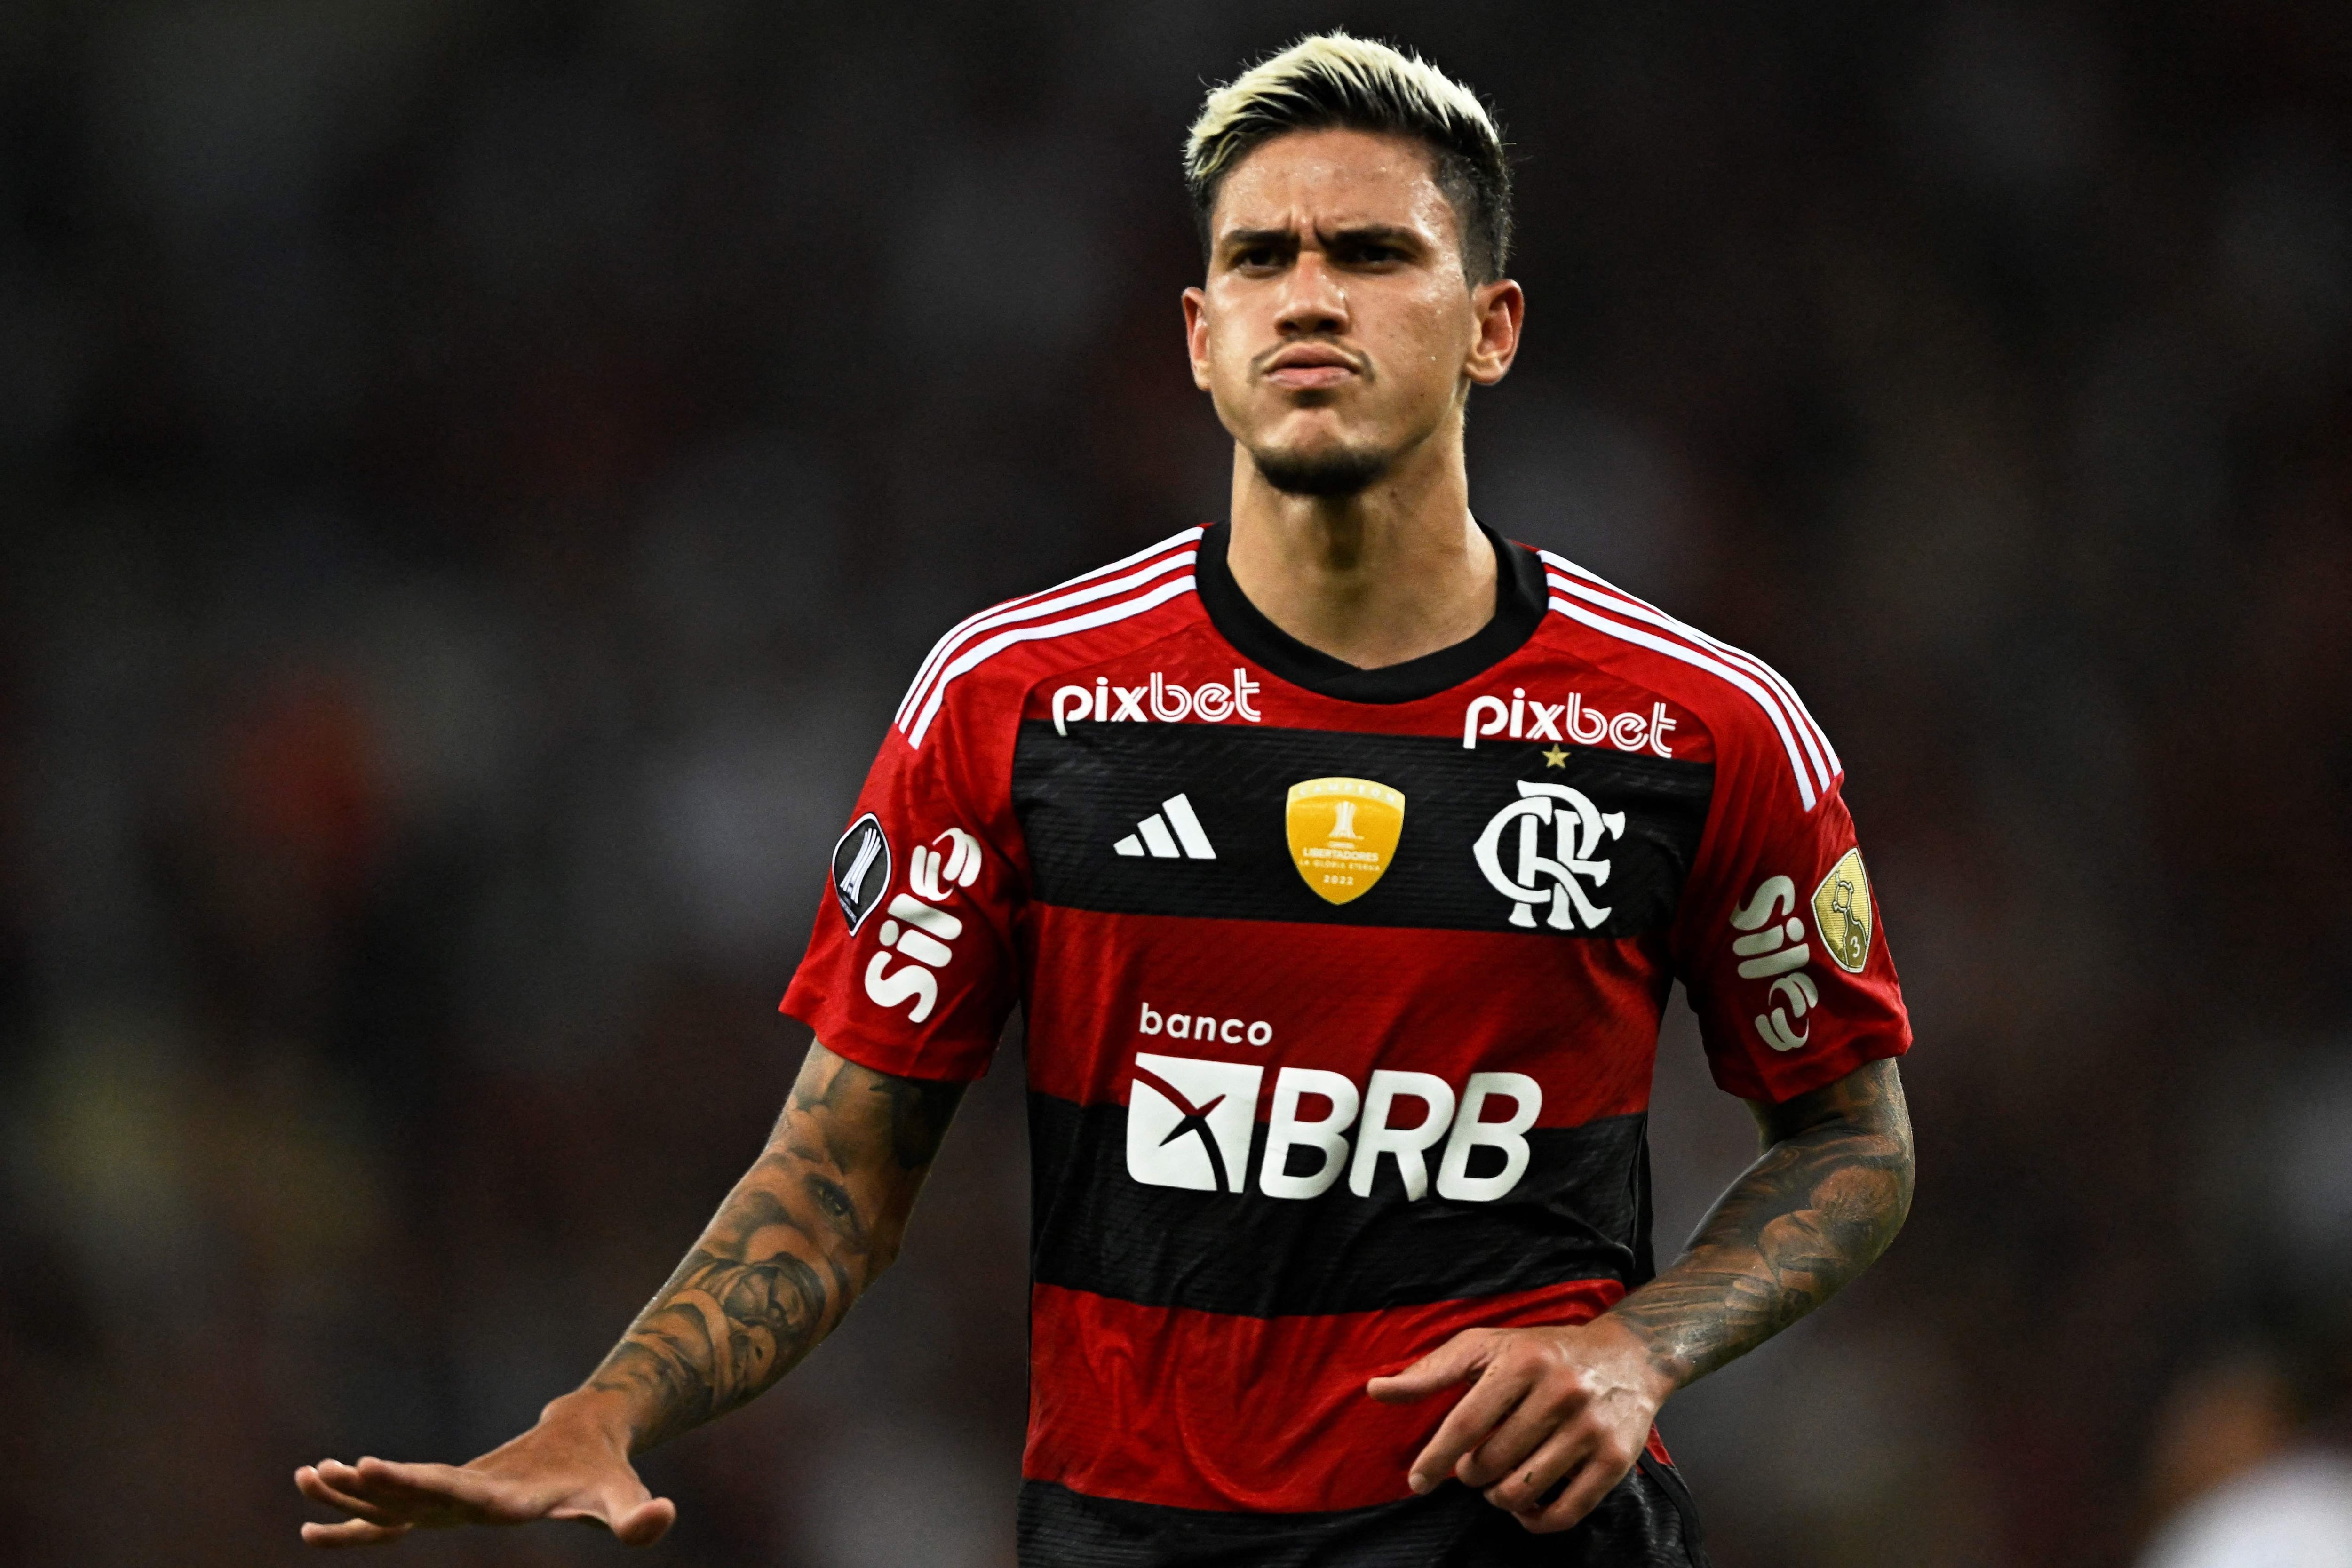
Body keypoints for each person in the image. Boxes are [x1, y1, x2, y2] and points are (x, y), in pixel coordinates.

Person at [295, 32, 1915, 1565]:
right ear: (1200, 335)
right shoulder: (1021, 701)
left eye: (1369, 255)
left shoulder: (1700, 723)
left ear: (1490, 324)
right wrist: (611, 1406)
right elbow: (844, 1167)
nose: (1309, 301)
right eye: (1261, 261)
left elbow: (1852, 1138)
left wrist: (1643, 1347)